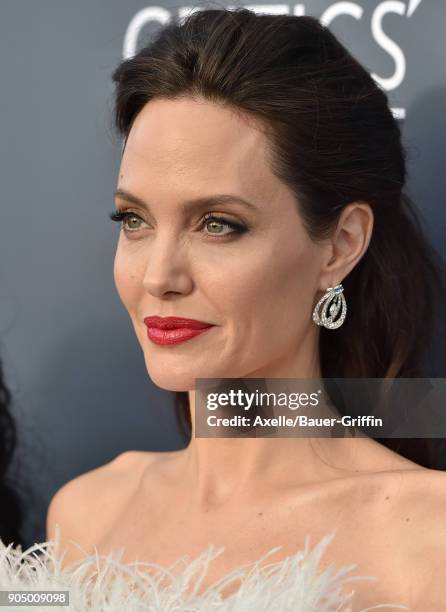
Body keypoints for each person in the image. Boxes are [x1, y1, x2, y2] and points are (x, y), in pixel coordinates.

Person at [46, 8, 446, 609]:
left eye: (217, 224)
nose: (159, 276)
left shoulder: (423, 537)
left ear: (340, 246)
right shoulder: (83, 516)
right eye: (135, 220)